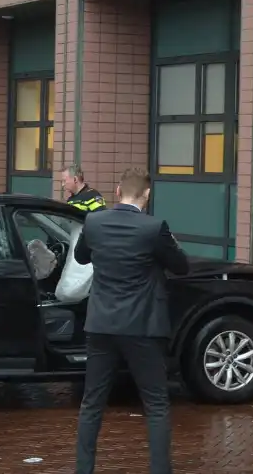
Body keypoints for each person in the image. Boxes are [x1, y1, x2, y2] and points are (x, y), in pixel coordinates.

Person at [73, 167, 189, 474]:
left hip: (100, 324)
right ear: (147, 195)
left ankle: (83, 470)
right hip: (143, 327)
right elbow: (181, 266)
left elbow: (81, 257)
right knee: (156, 404)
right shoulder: (154, 228)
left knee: (92, 403)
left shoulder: (94, 221)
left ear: (117, 190)